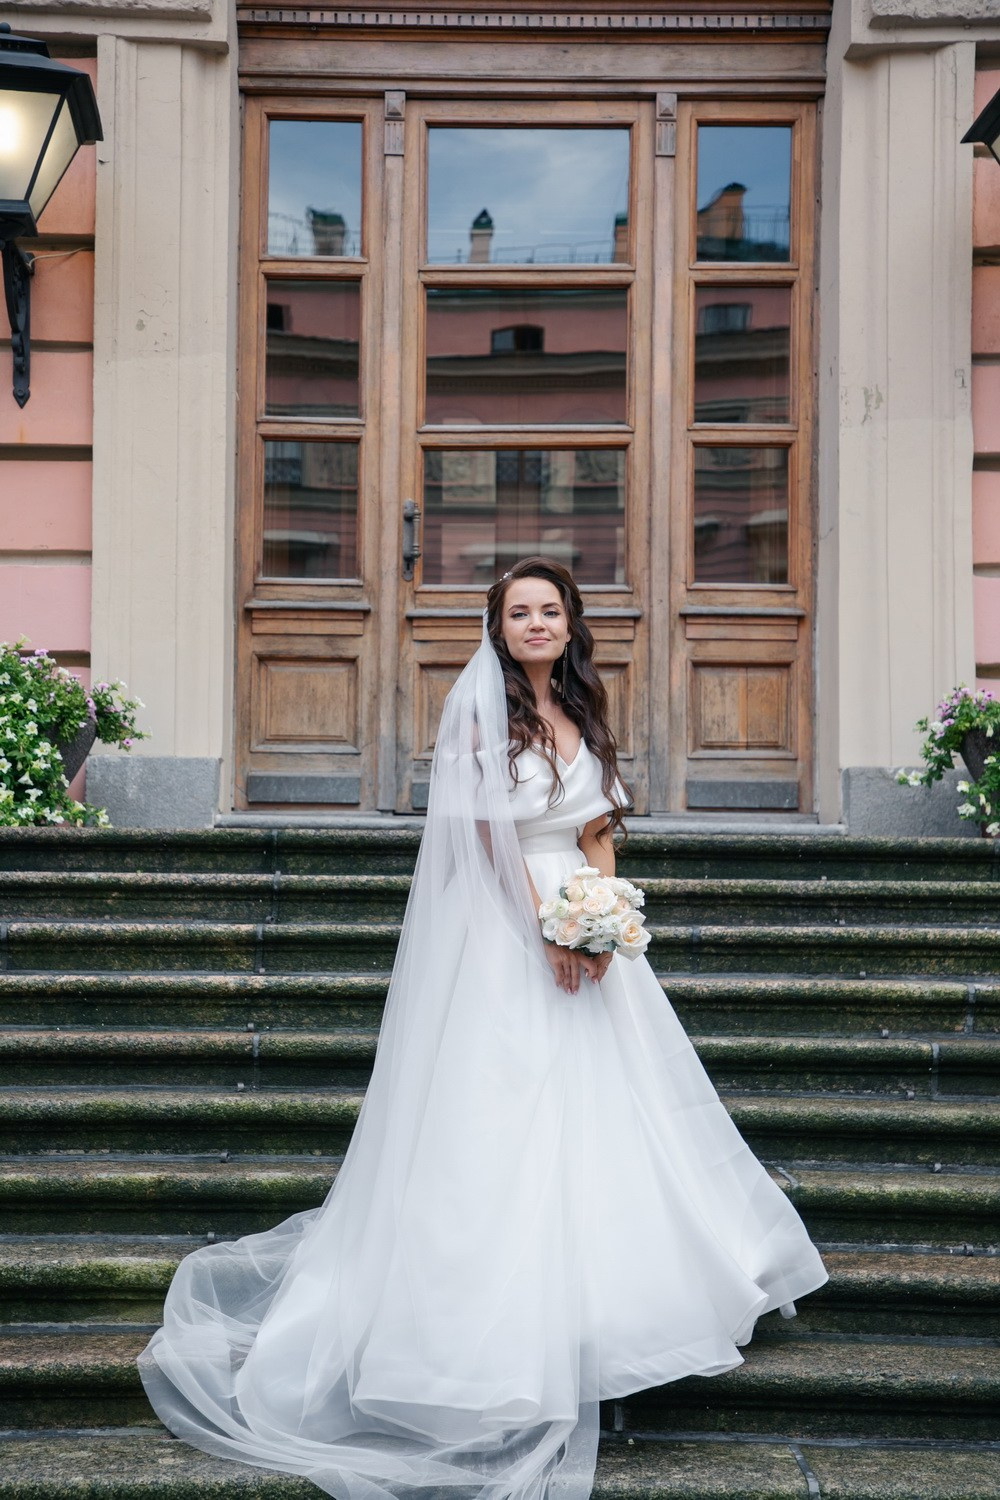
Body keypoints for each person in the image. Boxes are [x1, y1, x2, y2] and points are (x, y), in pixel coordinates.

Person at [139, 556, 827, 1500]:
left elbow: (597, 828)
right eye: (520, 612)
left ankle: (616, 1313)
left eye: (550, 611)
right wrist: (542, 934)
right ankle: (488, 1337)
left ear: (570, 625)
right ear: (498, 627)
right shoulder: (477, 717)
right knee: (502, 1123)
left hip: (583, 926)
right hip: (504, 932)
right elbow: (483, 841)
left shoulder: (584, 710)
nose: (537, 624)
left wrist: (602, 915)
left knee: (620, 1114)